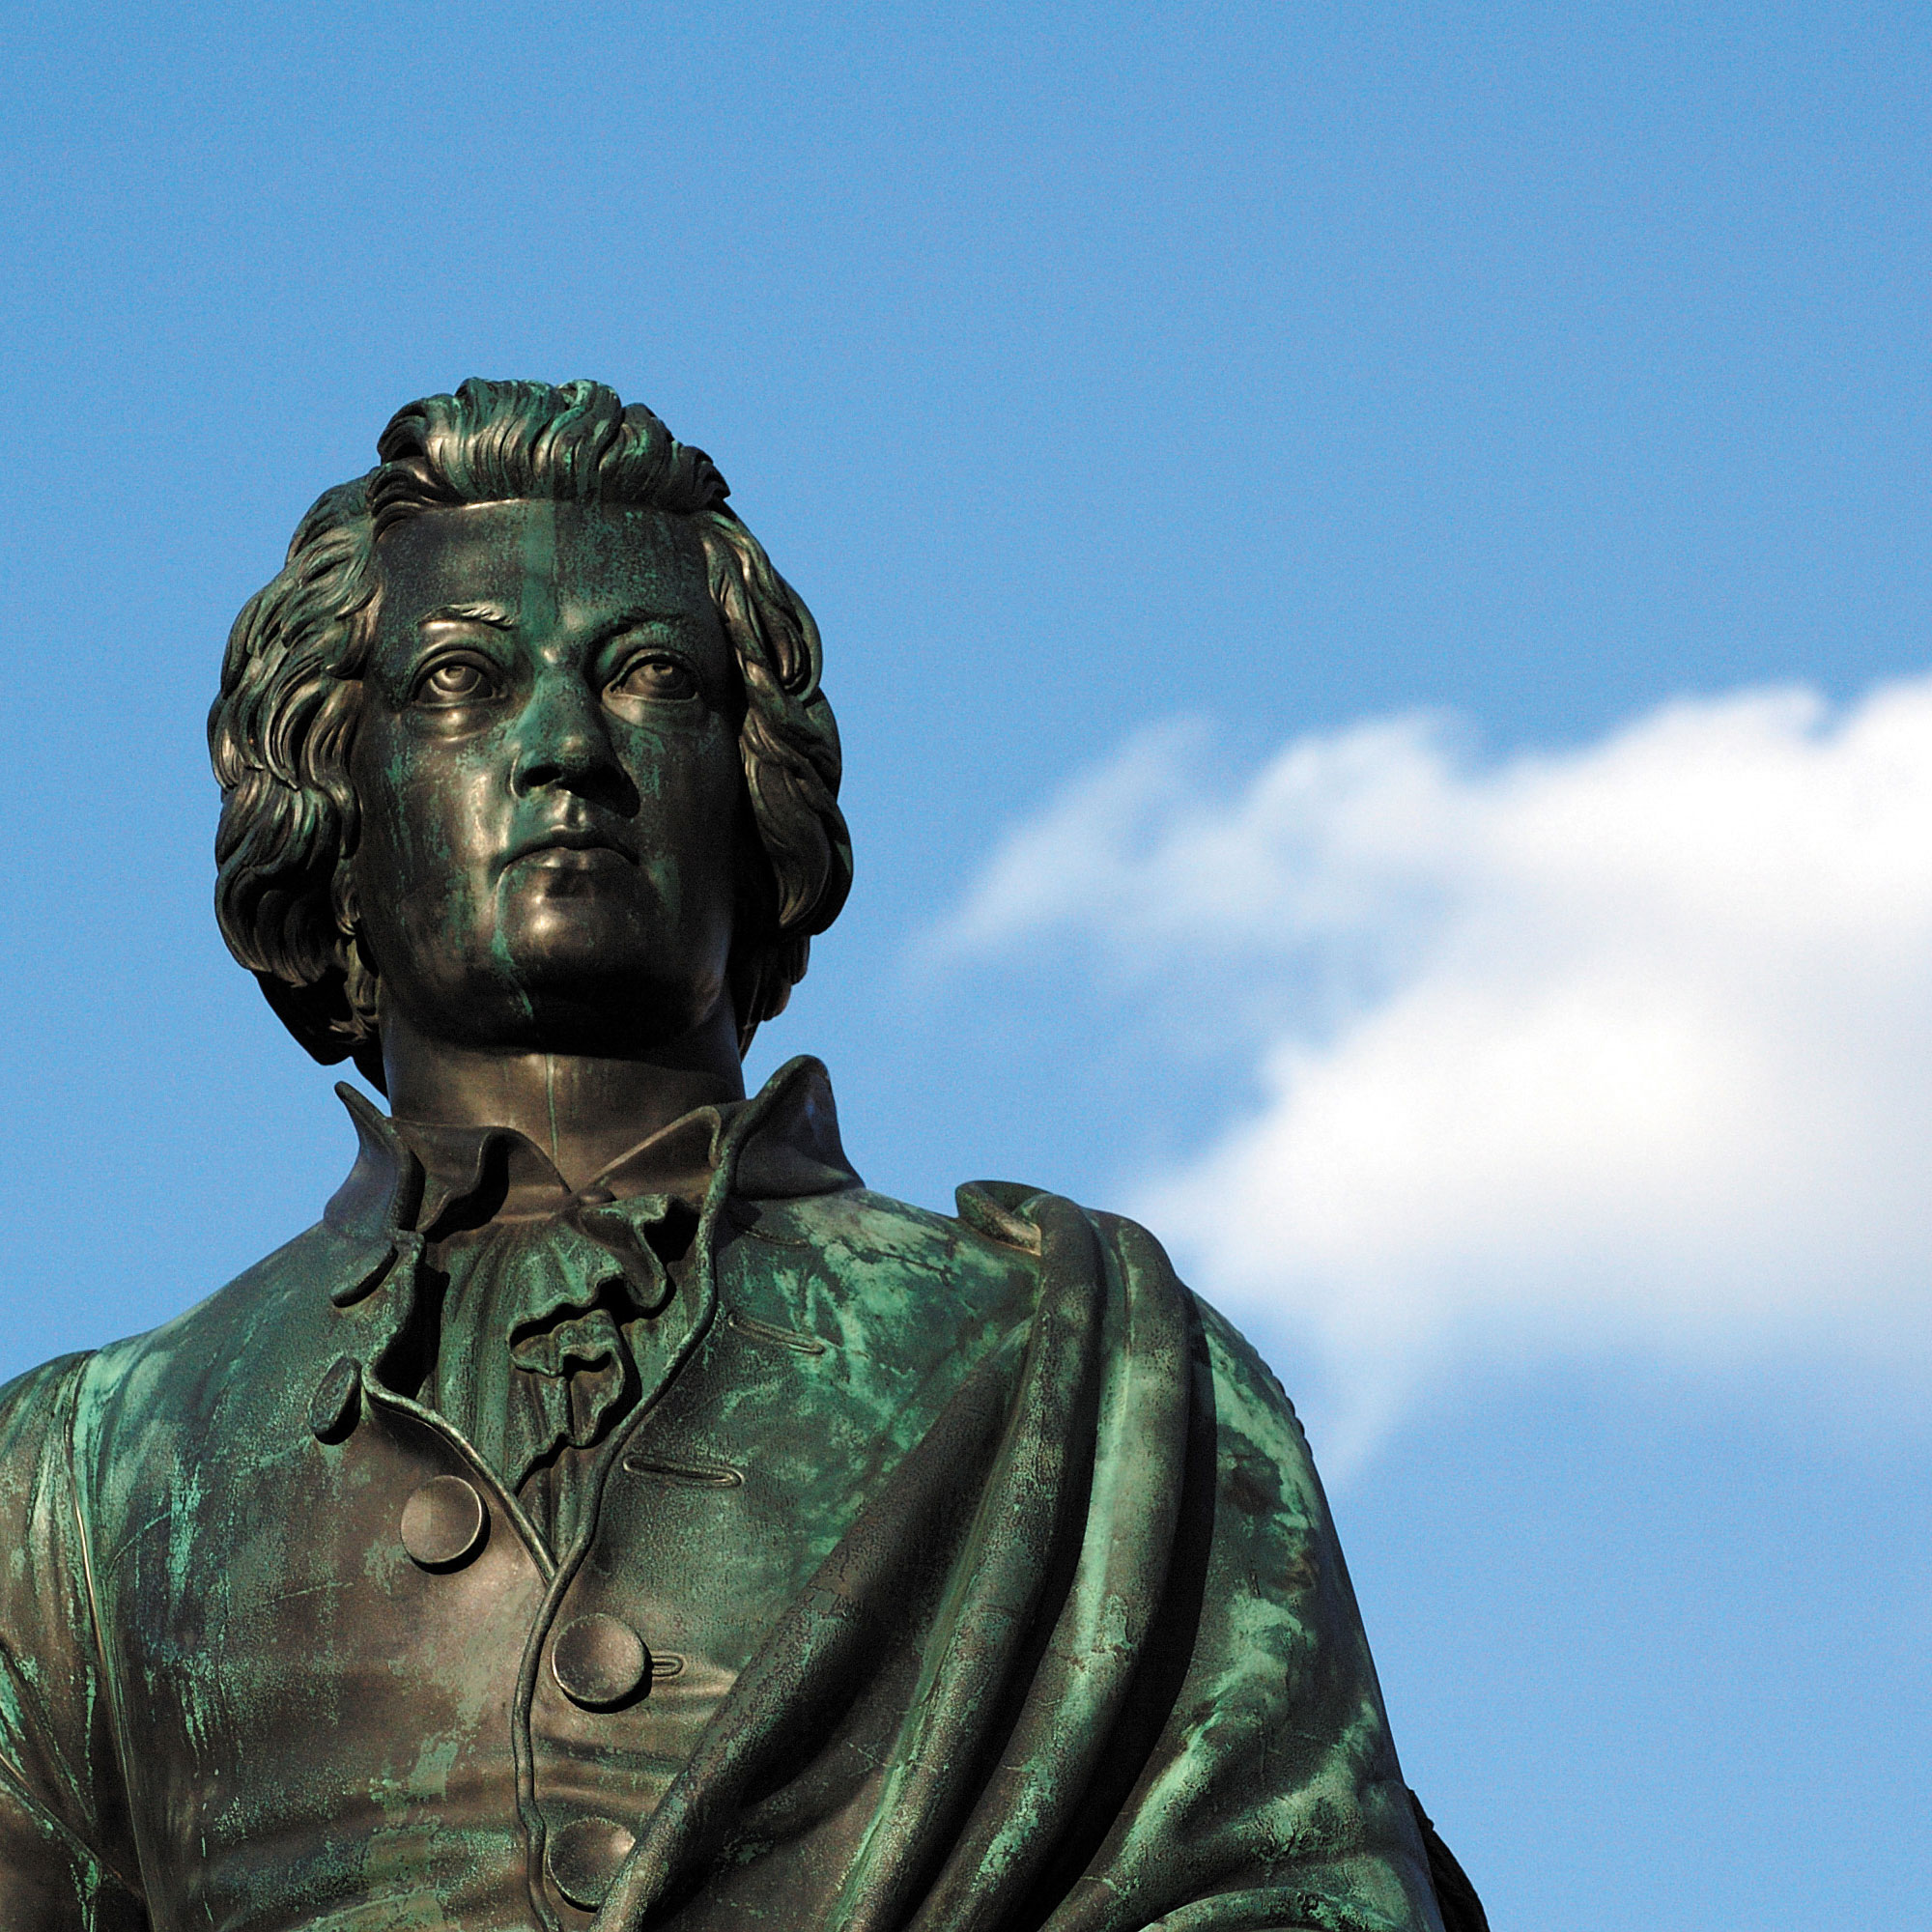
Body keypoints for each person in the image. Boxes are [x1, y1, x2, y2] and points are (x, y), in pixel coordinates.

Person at [0, 382, 1486, 1932]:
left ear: (753, 788)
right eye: (460, 680)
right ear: (335, 807)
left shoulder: (1103, 1380)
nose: (568, 745)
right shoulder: (68, 1487)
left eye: (651, 677)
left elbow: (1295, 1895)